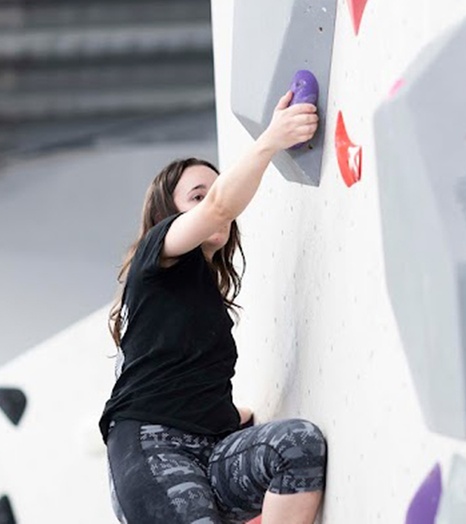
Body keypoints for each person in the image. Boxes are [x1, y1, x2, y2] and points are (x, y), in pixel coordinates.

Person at [99, 91, 327, 524]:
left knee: (297, 445)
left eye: (212, 191)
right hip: (151, 449)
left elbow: (180, 380)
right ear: (170, 214)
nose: (211, 203)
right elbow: (224, 204)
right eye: (197, 196)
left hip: (212, 450)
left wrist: (230, 414)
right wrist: (269, 141)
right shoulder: (157, 253)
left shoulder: (201, 300)